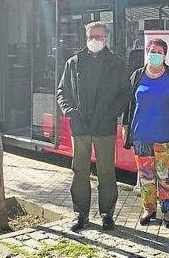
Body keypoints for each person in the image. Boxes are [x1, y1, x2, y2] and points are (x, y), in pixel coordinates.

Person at [56, 21, 130, 232]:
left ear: (106, 38)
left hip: (104, 127)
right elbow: (62, 91)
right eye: (91, 37)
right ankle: (81, 214)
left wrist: (111, 114)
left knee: (106, 171)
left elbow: (125, 93)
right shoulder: (74, 62)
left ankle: (107, 214)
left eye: (99, 37)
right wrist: (70, 112)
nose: (95, 41)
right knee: (79, 170)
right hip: (80, 128)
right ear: (85, 37)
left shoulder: (116, 63)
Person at [122, 38, 169, 228]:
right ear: (147, 52)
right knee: (145, 176)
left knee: (165, 176)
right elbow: (128, 104)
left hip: (165, 134)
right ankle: (148, 209)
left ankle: (168, 212)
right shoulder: (137, 75)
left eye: (159, 51)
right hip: (141, 134)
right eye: (152, 50)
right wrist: (125, 125)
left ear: (165, 55)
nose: (155, 54)